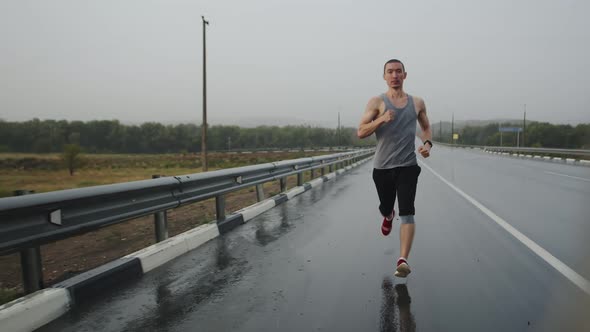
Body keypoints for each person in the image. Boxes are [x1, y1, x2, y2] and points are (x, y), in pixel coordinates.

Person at [357, 59, 432, 278]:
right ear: (384, 76)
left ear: (405, 75)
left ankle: (403, 260)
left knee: (407, 211)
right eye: (390, 72)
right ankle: (388, 214)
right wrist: (381, 119)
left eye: (398, 71)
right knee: (386, 206)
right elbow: (361, 132)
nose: (394, 75)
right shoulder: (376, 102)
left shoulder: (417, 102)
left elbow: (426, 128)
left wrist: (427, 144)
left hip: (408, 166)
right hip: (382, 168)